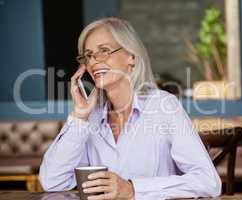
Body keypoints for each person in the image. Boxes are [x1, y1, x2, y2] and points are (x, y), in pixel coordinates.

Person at [39, 17, 221, 200]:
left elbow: (208, 182)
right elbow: (52, 182)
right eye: (88, 55)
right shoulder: (90, 118)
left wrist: (133, 189)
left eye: (104, 51)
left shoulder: (163, 106)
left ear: (131, 57)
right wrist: (79, 117)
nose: (93, 62)